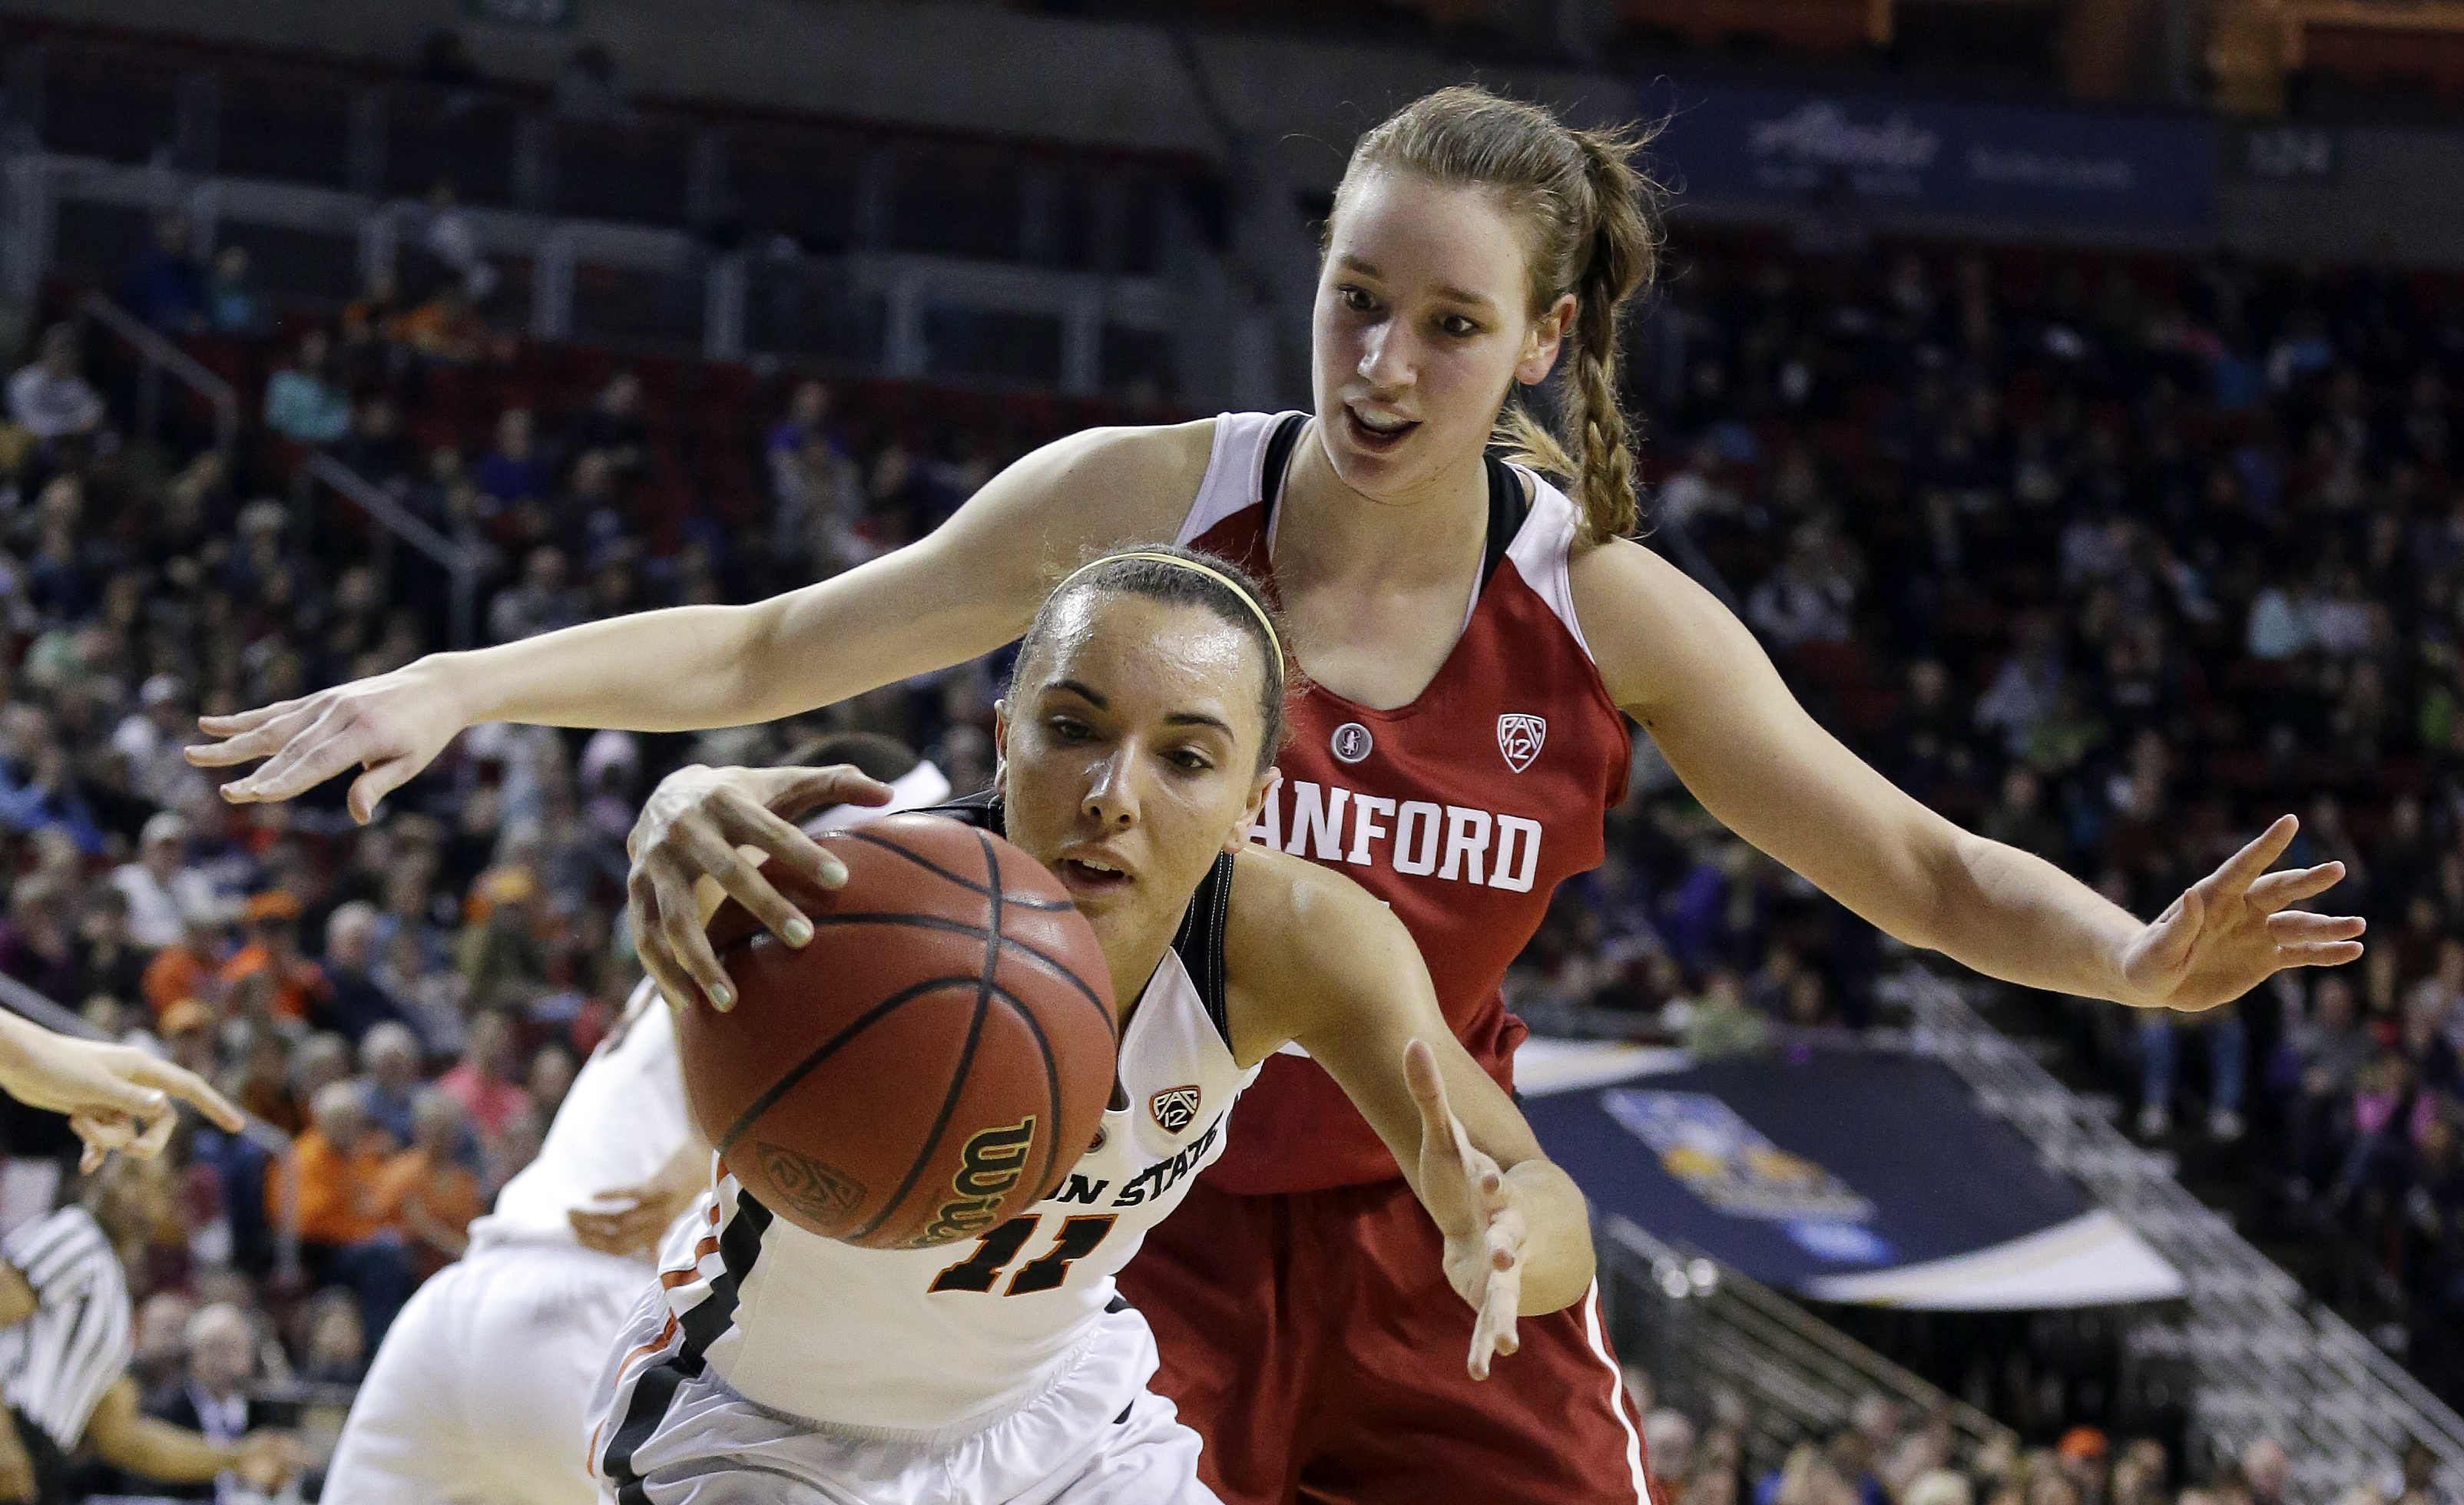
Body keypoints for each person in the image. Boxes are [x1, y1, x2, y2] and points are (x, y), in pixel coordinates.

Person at [189, 85, 2366, 1505]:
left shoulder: (1603, 608)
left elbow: (1903, 857)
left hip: (1439, 1203)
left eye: (1446, 323)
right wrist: (460, 682)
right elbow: (779, 648)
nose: (1382, 367)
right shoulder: (1151, 506)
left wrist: (2125, 960)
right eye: (1353, 300)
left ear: (1547, 338)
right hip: (1139, 1228)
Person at [588, 547, 1587, 1503]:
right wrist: (670, 809)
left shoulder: (1301, 943)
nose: (1113, 798)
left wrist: (1507, 1239)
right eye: (1072, 731)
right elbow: (695, 848)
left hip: (1062, 1427)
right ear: (1002, 737)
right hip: (769, 1430)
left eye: (1186, 758)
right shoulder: (866, 906)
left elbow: (1541, 1194)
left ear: (1252, 806)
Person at [322, 749, 952, 1505]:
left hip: (462, 1307)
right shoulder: (805, 936)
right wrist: (707, 1146)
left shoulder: (697, 944)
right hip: (594, 1314)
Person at [0, 1206, 297, 1503]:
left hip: (41, 1467)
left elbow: (126, 1438)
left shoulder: (114, 1296)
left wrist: (236, 1458)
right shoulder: (76, 1235)